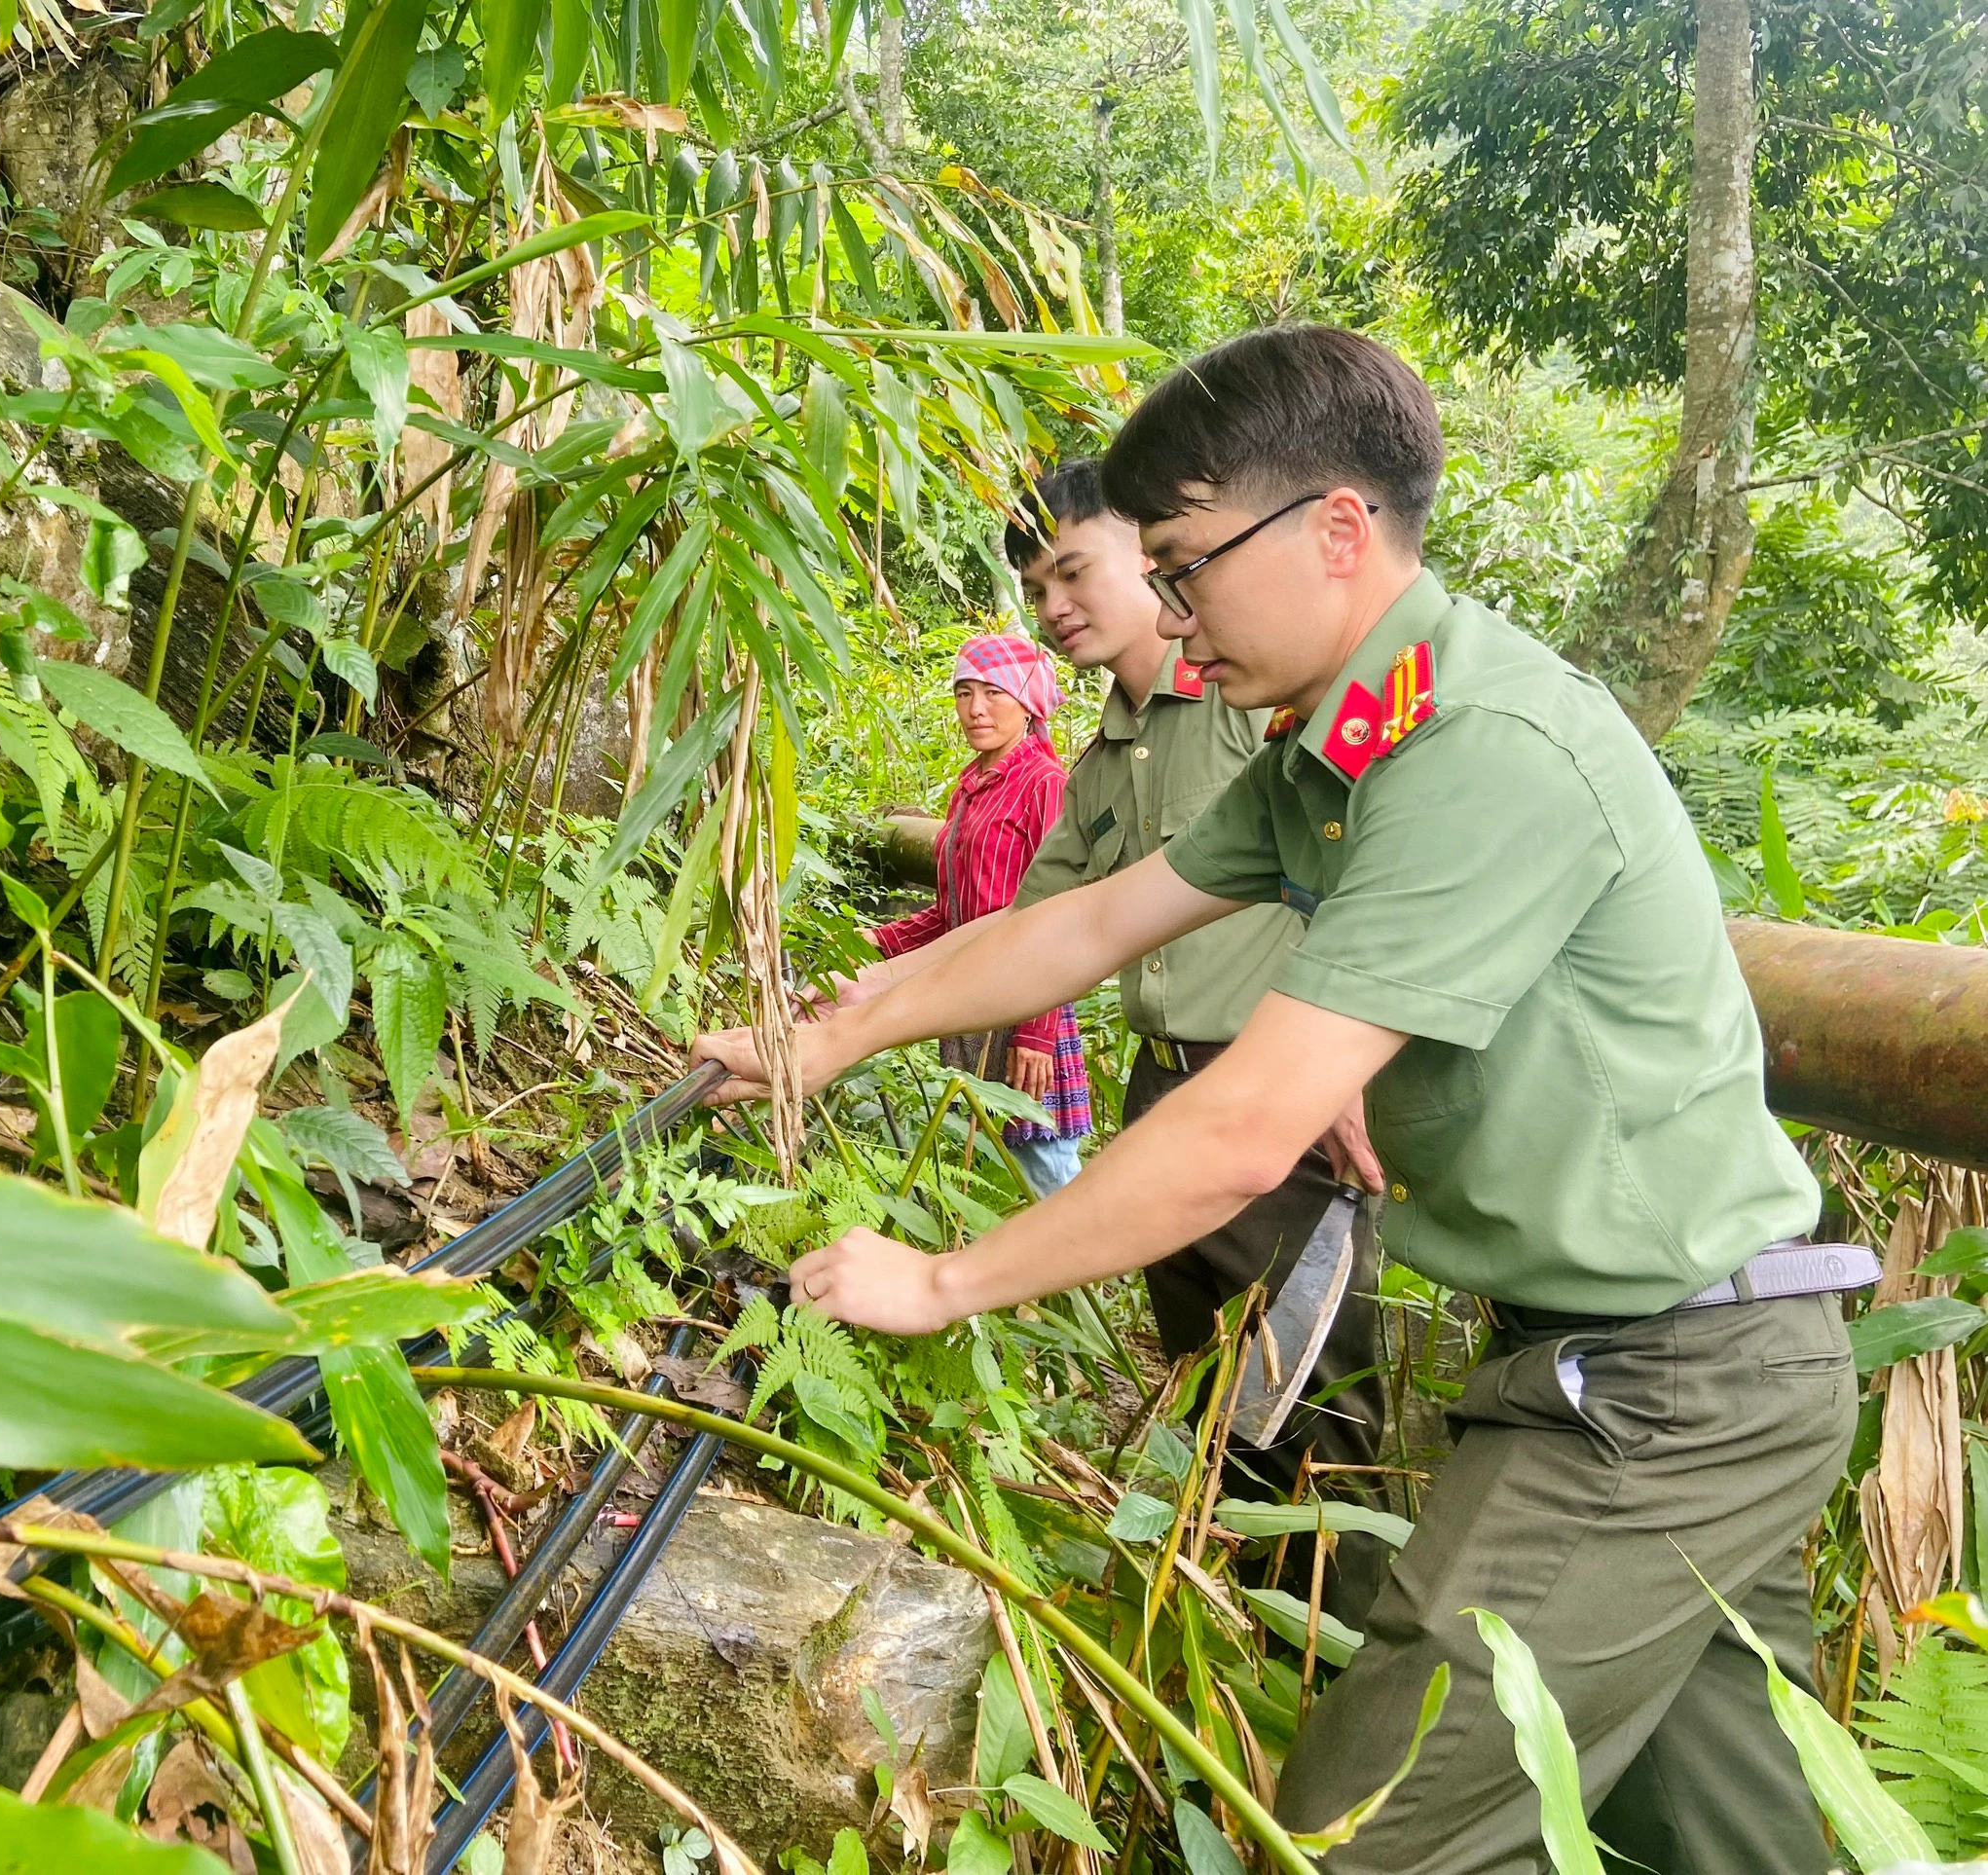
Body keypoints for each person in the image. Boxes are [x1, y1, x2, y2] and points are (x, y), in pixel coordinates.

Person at [699, 326, 1862, 1874]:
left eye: (1184, 567)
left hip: (1669, 1389)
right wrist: (829, 1036)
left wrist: (947, 1281)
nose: (1170, 618)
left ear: (1333, 526)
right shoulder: (1351, 737)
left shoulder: (1479, 747)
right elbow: (1092, 920)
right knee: (1738, 1835)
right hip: (1636, 1358)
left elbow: (1250, 1123)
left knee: (1353, 1839)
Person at [837, 460, 1390, 1620]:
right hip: (1166, 1092)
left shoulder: (1260, 716)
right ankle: (1225, 1641)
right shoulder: (1105, 760)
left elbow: (1369, 865)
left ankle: (1330, 1663)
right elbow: (1036, 928)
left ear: (1155, 554)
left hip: (1283, 1110)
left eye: (1072, 569)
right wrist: (859, 1009)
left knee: (1314, 1418)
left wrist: (1356, 1054)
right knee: (1212, 1395)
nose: (1054, 605)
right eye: (1036, 588)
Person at [864, 633, 1092, 1195]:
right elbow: (954, 913)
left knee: (1048, 1163)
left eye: (993, 692)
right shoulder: (971, 788)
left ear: (1028, 701)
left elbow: (1058, 913)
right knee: (1000, 1154)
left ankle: (1094, 1278)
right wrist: (873, 942)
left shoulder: (1046, 785)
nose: (976, 708)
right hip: (976, 992)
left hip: (1028, 1003)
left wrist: (1036, 1033)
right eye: (964, 693)